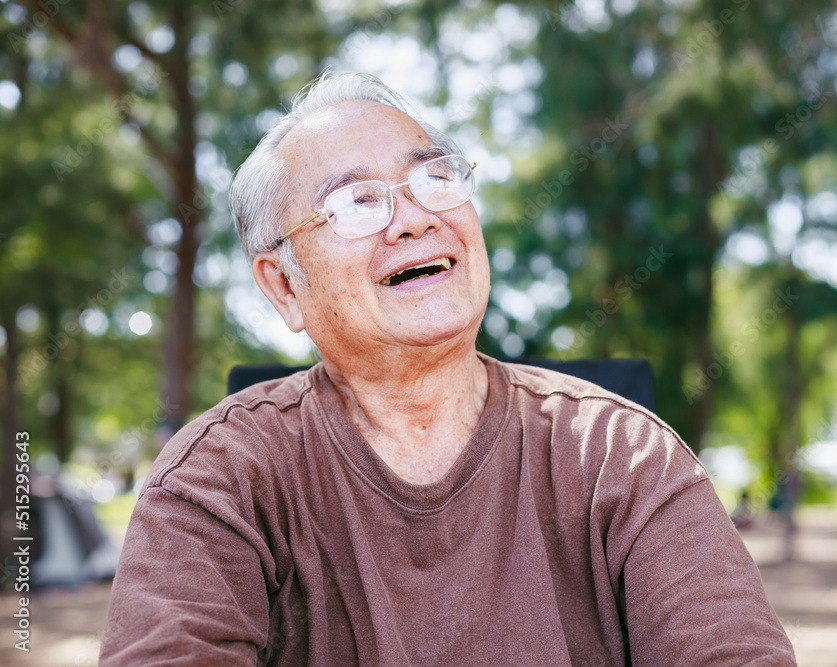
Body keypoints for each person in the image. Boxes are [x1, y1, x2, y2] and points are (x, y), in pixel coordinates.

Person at [100, 71, 796, 666]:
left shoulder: (623, 454)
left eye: (434, 178)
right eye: (357, 202)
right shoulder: (215, 481)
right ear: (283, 286)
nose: (414, 219)